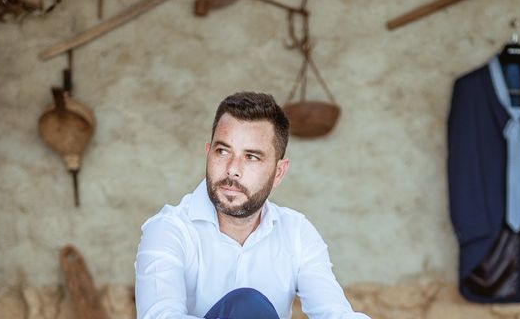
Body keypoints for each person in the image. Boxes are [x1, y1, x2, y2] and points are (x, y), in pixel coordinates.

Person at [135, 92, 370, 319]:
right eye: (222, 151)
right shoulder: (168, 229)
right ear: (208, 154)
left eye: (252, 157)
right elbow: (160, 315)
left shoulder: (297, 231)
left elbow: (334, 312)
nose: (232, 169)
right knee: (247, 306)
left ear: (278, 172)